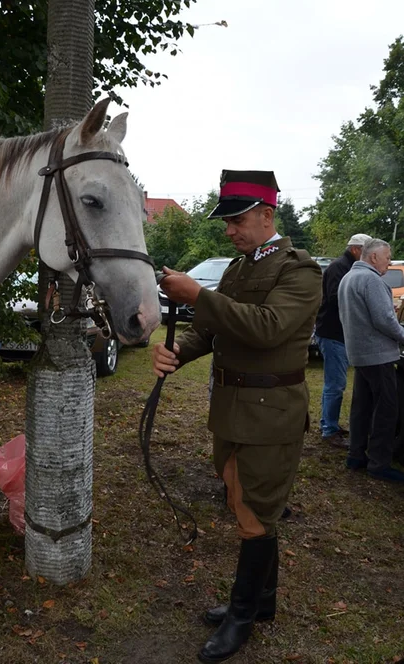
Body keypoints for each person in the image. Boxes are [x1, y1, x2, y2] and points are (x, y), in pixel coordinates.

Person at [152, 170, 322, 663]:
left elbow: (269, 328)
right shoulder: (237, 268)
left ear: (267, 216)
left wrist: (198, 295)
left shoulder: (301, 270)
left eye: (237, 219)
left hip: (271, 414)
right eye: (227, 221)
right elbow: (212, 331)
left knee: (254, 512)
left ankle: (243, 615)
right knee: (246, 503)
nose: (229, 230)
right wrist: (179, 352)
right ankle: (262, 601)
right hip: (230, 409)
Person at [338, 238, 404, 482]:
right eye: (387, 257)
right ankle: (379, 463)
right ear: (374, 257)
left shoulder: (349, 277)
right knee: (387, 410)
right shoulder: (371, 280)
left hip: (359, 353)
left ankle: (356, 455)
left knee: (362, 407)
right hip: (378, 354)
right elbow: (385, 320)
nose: (389, 262)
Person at [314, 233, 372, 448]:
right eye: (366, 252)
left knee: (336, 383)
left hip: (338, 333)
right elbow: (335, 298)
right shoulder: (341, 267)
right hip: (332, 333)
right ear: (356, 249)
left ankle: (329, 425)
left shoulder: (347, 266)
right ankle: (329, 429)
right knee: (335, 384)